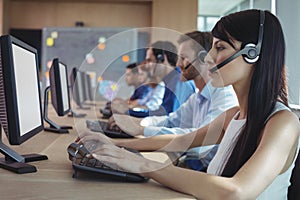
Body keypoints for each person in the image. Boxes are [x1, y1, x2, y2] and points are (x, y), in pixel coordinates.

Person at [78, 10, 300, 199]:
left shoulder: (282, 123)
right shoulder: (235, 115)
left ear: (253, 54)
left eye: (220, 48)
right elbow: (181, 140)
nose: (208, 57)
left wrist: (143, 165)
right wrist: (116, 146)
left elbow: (236, 192)